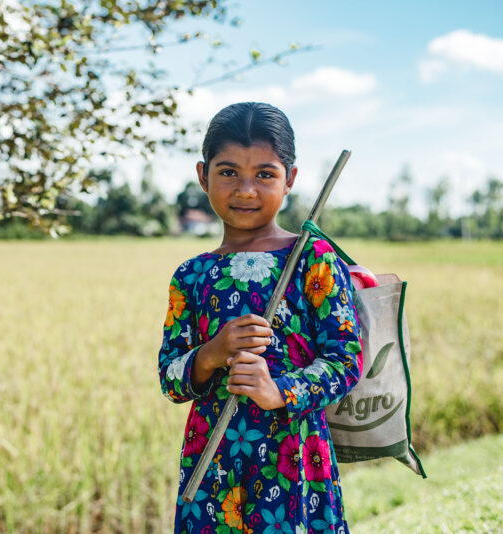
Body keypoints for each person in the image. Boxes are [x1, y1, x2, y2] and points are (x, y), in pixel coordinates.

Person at [158, 102, 363, 534]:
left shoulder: (312, 259)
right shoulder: (191, 275)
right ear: (203, 175)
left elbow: (346, 361)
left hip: (293, 459)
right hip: (211, 462)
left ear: (289, 179)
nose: (246, 190)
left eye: (265, 174)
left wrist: (278, 390)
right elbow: (170, 378)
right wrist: (211, 354)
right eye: (228, 172)